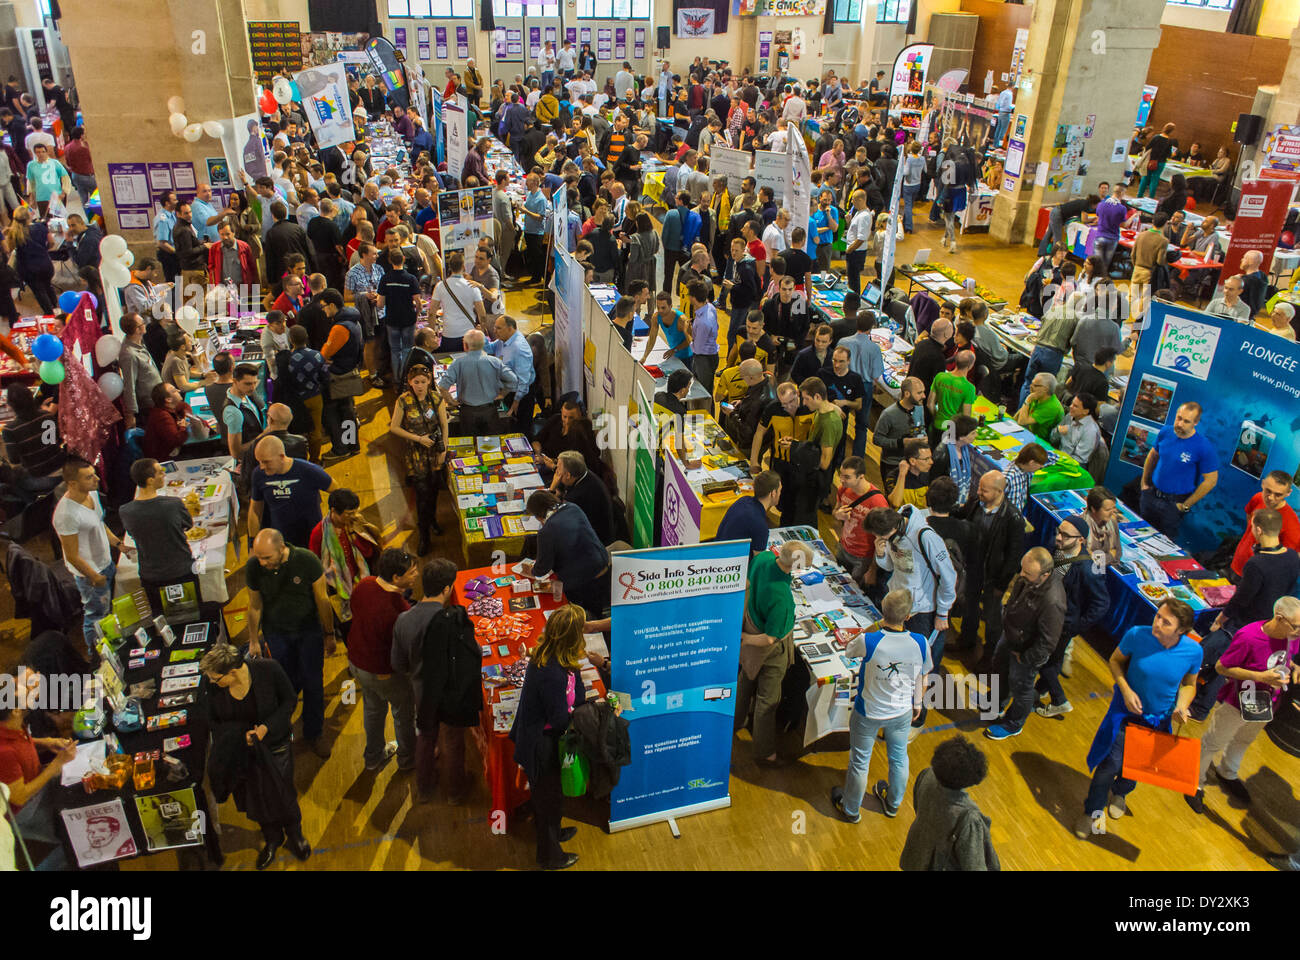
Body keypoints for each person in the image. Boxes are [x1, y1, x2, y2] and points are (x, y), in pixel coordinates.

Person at [1078, 599, 1200, 838]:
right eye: (1158, 616)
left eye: (1166, 622)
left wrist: (1182, 706)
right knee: (1108, 765)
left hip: (1159, 719)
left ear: (1181, 631)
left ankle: (1121, 792)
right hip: (1125, 712)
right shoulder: (1137, 635)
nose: (1157, 623)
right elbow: (1115, 661)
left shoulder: (1193, 651)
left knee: (1136, 764)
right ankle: (1091, 811)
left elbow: (1189, 685)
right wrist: (1126, 690)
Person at [1187, 596, 1300, 815]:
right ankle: (1194, 781)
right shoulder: (1249, 636)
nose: (1299, 632)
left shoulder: (1292, 636)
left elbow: (1288, 657)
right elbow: (1222, 667)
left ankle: (1228, 771)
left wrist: (1294, 666)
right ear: (1279, 619)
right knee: (1213, 741)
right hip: (1238, 700)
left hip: (1267, 702)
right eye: (1296, 627)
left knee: (1245, 738)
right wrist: (1261, 676)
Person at [202, 642, 310, 869]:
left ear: (232, 672)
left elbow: (289, 701)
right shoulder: (214, 686)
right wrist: (237, 736)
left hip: (274, 746)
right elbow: (213, 721)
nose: (212, 682)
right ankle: (272, 838)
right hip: (241, 753)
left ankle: (295, 834)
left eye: (216, 678)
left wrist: (265, 729)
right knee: (256, 797)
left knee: (282, 793)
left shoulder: (268, 669)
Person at [830, 588, 929, 822]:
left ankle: (851, 809)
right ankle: (893, 804)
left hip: (868, 711)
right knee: (899, 757)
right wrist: (917, 703)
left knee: (860, 761)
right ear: (908, 617)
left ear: (883, 612)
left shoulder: (871, 639)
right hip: (902, 710)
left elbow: (849, 649)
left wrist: (873, 627)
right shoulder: (920, 642)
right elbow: (923, 676)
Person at [510, 603, 588, 870]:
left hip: (546, 740)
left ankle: (554, 831)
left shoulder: (555, 658)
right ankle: (550, 856)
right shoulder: (550, 672)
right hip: (541, 746)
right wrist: (584, 714)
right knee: (548, 801)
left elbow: (577, 694)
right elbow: (560, 718)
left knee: (550, 798)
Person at [246, 528, 336, 760]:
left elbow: (322, 600)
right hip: (276, 634)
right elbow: (255, 605)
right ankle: (280, 730)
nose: (262, 562)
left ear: (282, 547)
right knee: (284, 683)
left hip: (308, 633)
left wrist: (329, 634)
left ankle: (314, 732)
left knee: (313, 682)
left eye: (267, 557)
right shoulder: (255, 567)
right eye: (259, 557)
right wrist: (254, 639)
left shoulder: (307, 561)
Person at [737, 541, 813, 766]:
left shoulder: (763, 559)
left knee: (746, 679)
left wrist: (745, 637)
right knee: (767, 699)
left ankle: (737, 720)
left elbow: (749, 583)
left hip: (751, 625)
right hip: (768, 648)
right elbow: (770, 638)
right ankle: (765, 752)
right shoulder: (781, 598)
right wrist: (747, 640)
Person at [346, 548, 419, 772]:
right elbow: (405, 652)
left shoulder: (365, 584)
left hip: (357, 664)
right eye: (412, 572)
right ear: (396, 578)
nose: (416, 575)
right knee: (403, 714)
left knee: (373, 709)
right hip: (383, 673)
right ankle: (408, 761)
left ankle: (373, 757)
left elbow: (354, 612)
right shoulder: (397, 611)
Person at [984, 547, 1067, 741]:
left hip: (1026, 650)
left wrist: (1026, 657)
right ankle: (998, 703)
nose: (1021, 574)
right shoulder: (1029, 576)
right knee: (1000, 668)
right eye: (1022, 569)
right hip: (1011, 636)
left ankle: (1013, 724)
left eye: (1027, 573)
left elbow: (1048, 642)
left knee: (1022, 687)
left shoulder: (1053, 601)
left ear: (1045, 575)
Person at [1034, 516, 1110, 719]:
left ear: (1081, 540)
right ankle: (1041, 689)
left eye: (1065, 535)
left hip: (1063, 624)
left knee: (1044, 662)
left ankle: (1059, 700)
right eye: (1059, 531)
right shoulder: (1056, 548)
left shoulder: (1088, 569)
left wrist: (1076, 626)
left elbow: (1101, 603)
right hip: (1047, 615)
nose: (1058, 537)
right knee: (1054, 660)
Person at [54, 459, 132, 655]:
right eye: (89, 477)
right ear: (72, 483)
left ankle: (113, 645)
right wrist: (94, 576)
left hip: (105, 562)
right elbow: (71, 555)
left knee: (108, 610)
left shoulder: (92, 494)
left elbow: (99, 523)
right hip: (91, 573)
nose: (96, 479)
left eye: (94, 473)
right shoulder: (66, 515)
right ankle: (96, 656)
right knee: (95, 616)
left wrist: (117, 544)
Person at [899, 735, 1000, 871]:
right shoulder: (969, 817)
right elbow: (974, 865)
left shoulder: (927, 774)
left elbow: (918, 807)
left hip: (916, 853)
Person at [955, 471, 1023, 659]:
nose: (978, 492)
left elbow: (1013, 556)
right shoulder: (976, 504)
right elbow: (960, 517)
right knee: (969, 607)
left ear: (999, 491)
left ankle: (989, 655)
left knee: (993, 618)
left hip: (994, 577)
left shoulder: (1013, 518)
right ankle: (966, 640)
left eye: (983, 490)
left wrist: (1002, 585)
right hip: (973, 569)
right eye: (979, 488)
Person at [119, 457, 199, 615]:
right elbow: (188, 525)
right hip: (181, 571)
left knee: (162, 618)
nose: (164, 475)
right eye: (160, 473)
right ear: (150, 480)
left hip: (151, 576)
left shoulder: (125, 511)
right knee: (191, 616)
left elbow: (132, 533)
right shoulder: (173, 504)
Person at [522, 490, 610, 618]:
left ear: (538, 515)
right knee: (596, 612)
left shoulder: (546, 531)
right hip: (602, 564)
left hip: (583, 580)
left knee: (580, 617)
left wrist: (532, 570)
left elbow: (542, 569)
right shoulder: (573, 507)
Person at [1139, 402, 1218, 540]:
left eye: (1186, 421)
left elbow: (1211, 480)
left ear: (1196, 422)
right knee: (1141, 534)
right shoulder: (1165, 432)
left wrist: (1185, 506)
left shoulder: (1203, 446)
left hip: (1173, 505)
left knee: (1164, 543)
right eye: (1179, 418)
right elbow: (1152, 455)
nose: (1180, 424)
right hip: (1150, 495)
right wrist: (1144, 483)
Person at [248, 435, 334, 548]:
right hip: (281, 541)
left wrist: (333, 525)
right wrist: (252, 544)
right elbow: (255, 511)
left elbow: (337, 492)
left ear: (282, 456)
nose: (262, 467)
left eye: (266, 462)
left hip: (311, 540)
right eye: (259, 462)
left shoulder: (309, 470)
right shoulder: (259, 474)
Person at [438, 329, 517, 437]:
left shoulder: (458, 363)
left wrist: (451, 402)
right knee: (491, 444)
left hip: (467, 412)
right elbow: (513, 380)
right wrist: (503, 394)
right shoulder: (494, 361)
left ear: (465, 345)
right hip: (490, 411)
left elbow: (442, 387)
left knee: (470, 444)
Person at [797, 377, 843, 524]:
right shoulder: (822, 411)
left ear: (817, 396)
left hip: (815, 480)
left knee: (807, 518)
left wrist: (797, 448)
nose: (804, 403)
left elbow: (824, 462)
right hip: (812, 476)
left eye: (806, 399)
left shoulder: (828, 423)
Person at [834, 456, 888, 581]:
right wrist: (838, 515)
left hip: (863, 557)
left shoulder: (877, 501)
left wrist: (873, 569)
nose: (842, 480)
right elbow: (835, 511)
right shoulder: (843, 489)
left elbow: (881, 538)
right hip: (843, 547)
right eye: (841, 475)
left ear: (861, 476)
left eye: (847, 477)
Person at [711, 470, 781, 556]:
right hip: (730, 564)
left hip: (717, 553)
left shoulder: (743, 500)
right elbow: (758, 563)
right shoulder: (760, 524)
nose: (780, 494)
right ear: (773, 493)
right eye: (780, 490)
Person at [429, 249, 485, 353]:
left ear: (449, 267)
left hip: (449, 333)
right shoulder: (473, 286)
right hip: (469, 333)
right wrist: (483, 329)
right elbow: (482, 314)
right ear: (464, 267)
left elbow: (432, 313)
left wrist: (432, 333)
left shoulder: (440, 286)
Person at [875, 377, 926, 487]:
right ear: (907, 394)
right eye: (919, 393)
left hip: (913, 464)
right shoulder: (888, 414)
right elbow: (877, 439)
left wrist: (923, 438)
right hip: (892, 465)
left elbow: (921, 428)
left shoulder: (919, 408)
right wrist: (901, 443)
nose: (924, 396)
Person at [928, 350, 977, 431]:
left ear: (956, 361)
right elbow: (966, 417)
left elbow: (930, 404)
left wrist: (937, 417)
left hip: (936, 426)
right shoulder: (969, 388)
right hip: (952, 430)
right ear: (971, 366)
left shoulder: (940, 376)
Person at [1013, 372, 1065, 443]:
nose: (1031, 386)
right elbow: (1018, 415)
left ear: (1045, 389)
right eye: (1031, 383)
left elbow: (1022, 422)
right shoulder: (1038, 397)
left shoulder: (1051, 407)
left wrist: (1028, 400)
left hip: (1042, 442)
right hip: (1030, 432)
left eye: (1035, 385)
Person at [1055, 392, 1103, 465]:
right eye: (1072, 404)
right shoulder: (1070, 416)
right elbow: (1052, 438)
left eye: (1075, 406)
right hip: (1059, 455)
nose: (1070, 406)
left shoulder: (1090, 431)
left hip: (1072, 465)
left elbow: (1079, 460)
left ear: (1085, 411)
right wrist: (1058, 431)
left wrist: (1058, 460)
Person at [1004, 444, 1047, 516]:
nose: (1040, 468)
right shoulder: (1008, 478)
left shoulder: (1027, 470)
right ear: (1032, 463)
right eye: (1040, 466)